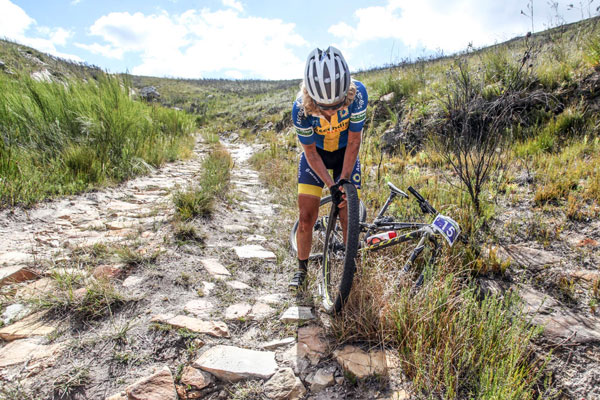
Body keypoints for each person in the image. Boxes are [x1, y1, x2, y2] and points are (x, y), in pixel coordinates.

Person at [289, 46, 368, 289]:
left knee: (347, 215)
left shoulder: (359, 95)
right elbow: (310, 152)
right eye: (326, 107)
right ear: (312, 98)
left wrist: (342, 181)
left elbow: (354, 141)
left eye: (338, 104)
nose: (332, 112)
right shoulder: (300, 110)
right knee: (306, 218)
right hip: (318, 158)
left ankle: (349, 270)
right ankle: (301, 270)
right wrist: (330, 185)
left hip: (345, 154)